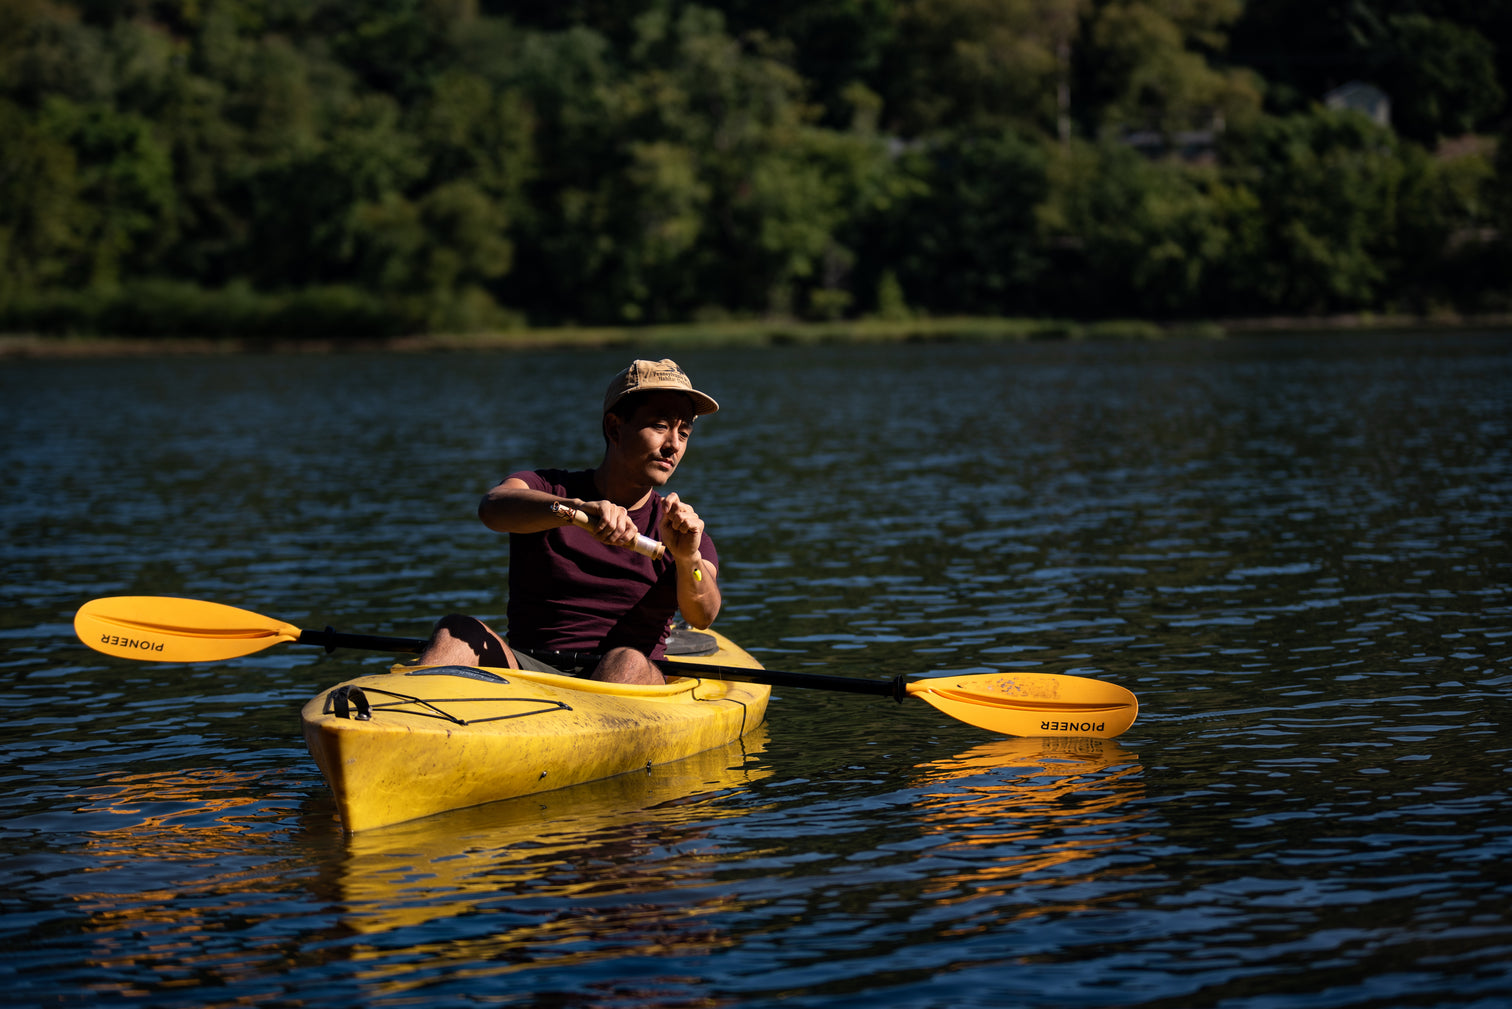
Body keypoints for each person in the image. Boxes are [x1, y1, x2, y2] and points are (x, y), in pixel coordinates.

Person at [416, 358, 722, 685]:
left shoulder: (681, 530)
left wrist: (687, 557)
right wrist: (575, 513)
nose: (674, 444)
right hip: (530, 669)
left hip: (630, 681)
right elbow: (492, 507)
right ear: (615, 428)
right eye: (660, 426)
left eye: (684, 432)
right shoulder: (548, 489)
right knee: (456, 631)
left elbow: (702, 616)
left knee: (627, 660)